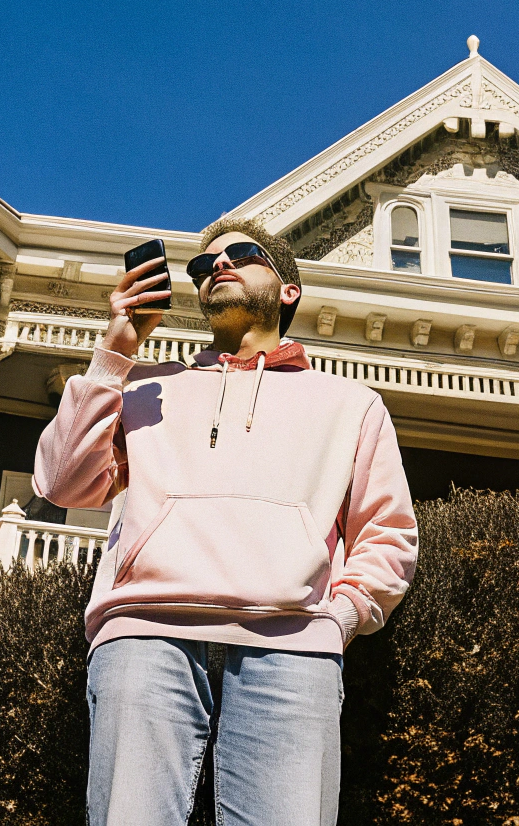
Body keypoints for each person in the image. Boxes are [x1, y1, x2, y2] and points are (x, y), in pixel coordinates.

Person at [34, 217, 419, 826]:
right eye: (201, 265)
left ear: (288, 289)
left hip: (291, 645)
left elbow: (388, 536)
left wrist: (338, 619)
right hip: (146, 630)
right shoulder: (144, 390)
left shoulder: (350, 404)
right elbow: (63, 485)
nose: (217, 265)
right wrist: (117, 351)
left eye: (241, 254)